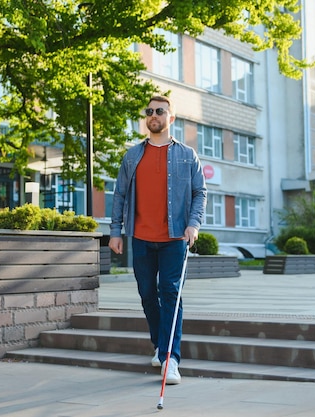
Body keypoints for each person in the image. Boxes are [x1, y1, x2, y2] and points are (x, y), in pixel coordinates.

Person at [109, 95, 207, 385]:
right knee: (147, 295)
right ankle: (160, 344)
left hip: (175, 237)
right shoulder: (132, 156)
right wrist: (115, 231)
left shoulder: (187, 155)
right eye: (149, 111)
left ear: (171, 118)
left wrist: (193, 225)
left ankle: (170, 359)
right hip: (140, 237)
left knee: (171, 294)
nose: (153, 115)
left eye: (160, 111)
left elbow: (199, 193)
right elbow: (119, 195)